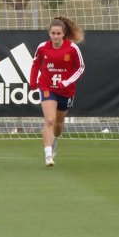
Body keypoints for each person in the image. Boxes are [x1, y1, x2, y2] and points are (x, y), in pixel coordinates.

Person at [29, 17, 85, 168]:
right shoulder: (42, 47)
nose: (55, 36)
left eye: (58, 33)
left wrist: (66, 82)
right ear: (49, 33)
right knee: (49, 120)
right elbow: (35, 64)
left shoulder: (72, 48)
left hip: (66, 91)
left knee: (59, 123)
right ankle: (48, 155)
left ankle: (55, 141)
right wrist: (33, 81)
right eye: (52, 33)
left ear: (63, 34)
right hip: (47, 87)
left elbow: (80, 68)